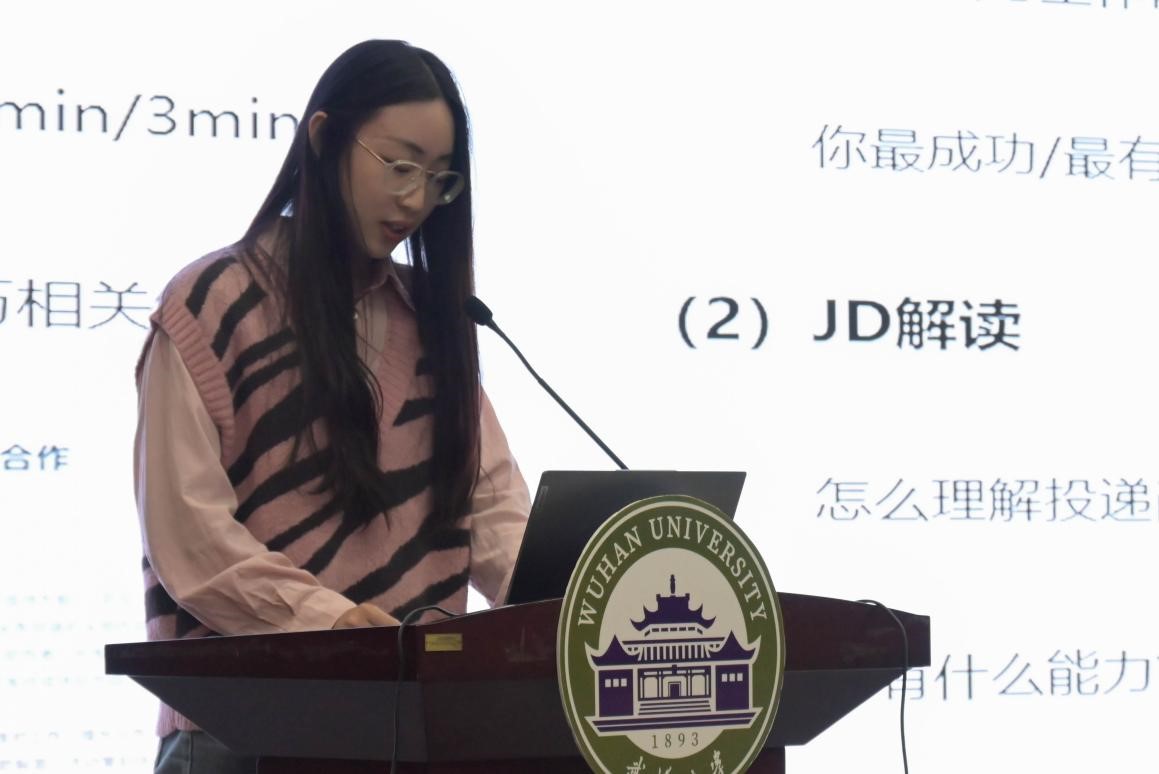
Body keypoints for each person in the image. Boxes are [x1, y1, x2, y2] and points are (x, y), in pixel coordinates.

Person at [133, 40, 530, 773]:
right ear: (322, 138)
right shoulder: (212, 304)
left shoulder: (433, 317)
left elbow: (494, 512)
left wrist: (577, 605)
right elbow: (190, 540)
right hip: (241, 729)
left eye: (438, 179)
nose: (416, 199)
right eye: (399, 165)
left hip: (406, 729)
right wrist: (336, 626)